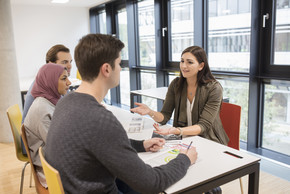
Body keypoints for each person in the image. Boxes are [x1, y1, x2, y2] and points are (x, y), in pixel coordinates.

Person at [45, 34, 198, 194]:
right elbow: (152, 183)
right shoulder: (100, 119)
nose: (121, 69)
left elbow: (100, 143)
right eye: (119, 64)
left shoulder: (66, 102)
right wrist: (185, 159)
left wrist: (141, 145)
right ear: (106, 69)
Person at [130, 46, 229, 146]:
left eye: (189, 62)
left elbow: (203, 126)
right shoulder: (176, 84)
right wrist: (150, 112)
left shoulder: (214, 88)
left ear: (201, 66)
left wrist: (176, 131)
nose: (184, 66)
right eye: (182, 61)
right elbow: (164, 116)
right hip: (184, 139)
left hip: (208, 140)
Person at [23, 63, 71, 188]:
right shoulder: (42, 109)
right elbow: (59, 148)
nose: (69, 82)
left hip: (56, 164)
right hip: (52, 173)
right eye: (64, 78)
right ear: (50, 81)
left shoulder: (50, 101)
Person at [22, 44, 72, 124]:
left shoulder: (56, 85)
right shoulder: (39, 93)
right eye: (64, 62)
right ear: (50, 64)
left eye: (70, 62)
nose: (70, 66)